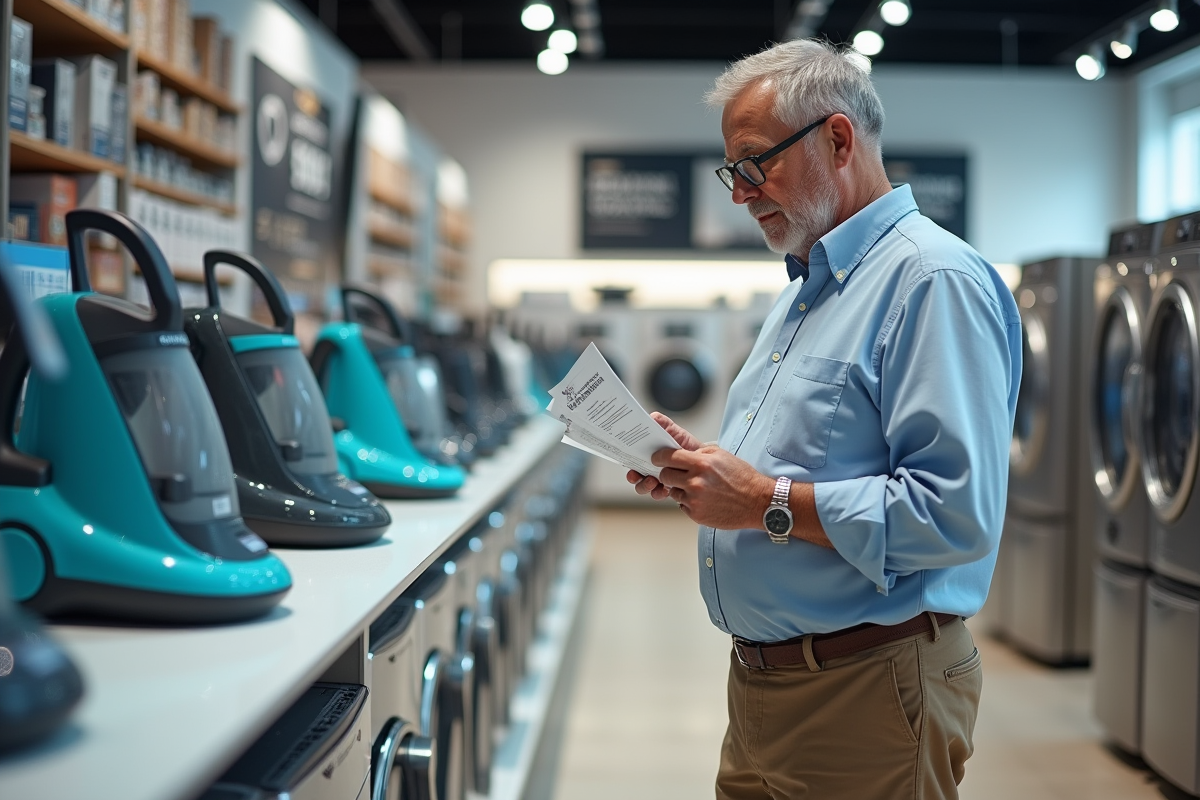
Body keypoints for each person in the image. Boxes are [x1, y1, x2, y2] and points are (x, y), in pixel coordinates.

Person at [626, 39, 1022, 799]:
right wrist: (707, 474)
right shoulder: (810, 287)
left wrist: (762, 502)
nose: (740, 194)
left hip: (869, 692)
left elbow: (954, 515)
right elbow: (804, 465)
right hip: (763, 688)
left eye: (753, 164)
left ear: (838, 140)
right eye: (731, 172)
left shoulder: (930, 280)